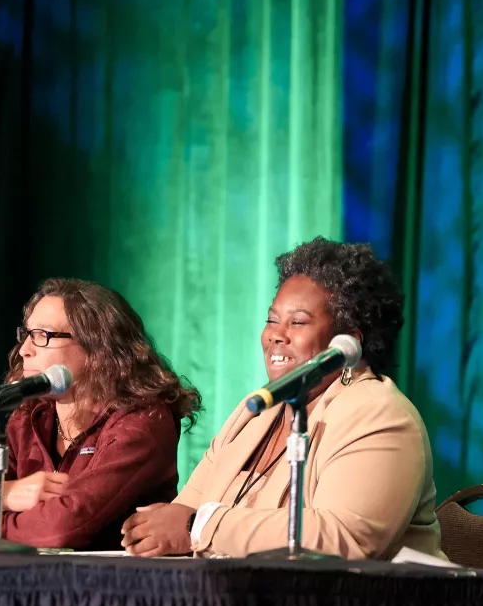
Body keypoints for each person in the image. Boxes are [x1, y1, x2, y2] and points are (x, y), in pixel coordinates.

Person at [120, 237, 443, 560]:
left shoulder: (380, 415)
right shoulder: (258, 411)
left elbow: (344, 538)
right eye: (272, 320)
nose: (275, 334)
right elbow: (183, 513)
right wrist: (154, 532)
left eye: (297, 322)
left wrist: (199, 527)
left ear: (349, 343)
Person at [0, 278, 201, 549]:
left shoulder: (143, 421)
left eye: (42, 336)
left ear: (97, 349)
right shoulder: (28, 419)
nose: (24, 350)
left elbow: (62, 529)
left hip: (108, 594)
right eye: (26, 335)